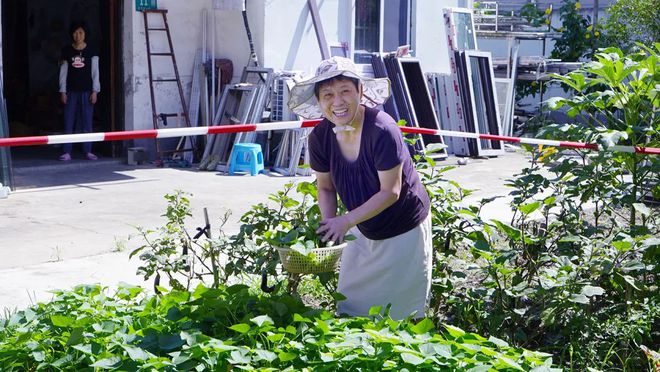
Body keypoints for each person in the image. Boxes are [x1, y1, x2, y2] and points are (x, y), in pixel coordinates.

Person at [288, 57, 432, 320]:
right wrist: (330, 224)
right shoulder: (320, 138)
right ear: (319, 101)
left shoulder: (382, 129)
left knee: (401, 315)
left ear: (360, 92)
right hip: (360, 223)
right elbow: (326, 188)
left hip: (403, 228)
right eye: (328, 94)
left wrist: (345, 221)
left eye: (345, 91)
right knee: (352, 306)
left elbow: (391, 191)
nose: (337, 101)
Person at [58, 21, 100, 161]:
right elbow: (63, 72)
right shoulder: (66, 51)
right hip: (71, 91)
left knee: (87, 121)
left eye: (81, 32)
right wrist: (62, 91)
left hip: (87, 91)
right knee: (68, 120)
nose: (78, 35)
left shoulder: (92, 50)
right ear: (72, 34)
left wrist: (95, 91)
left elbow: (95, 72)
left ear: (85, 34)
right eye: (75, 33)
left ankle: (88, 150)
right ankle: (67, 151)